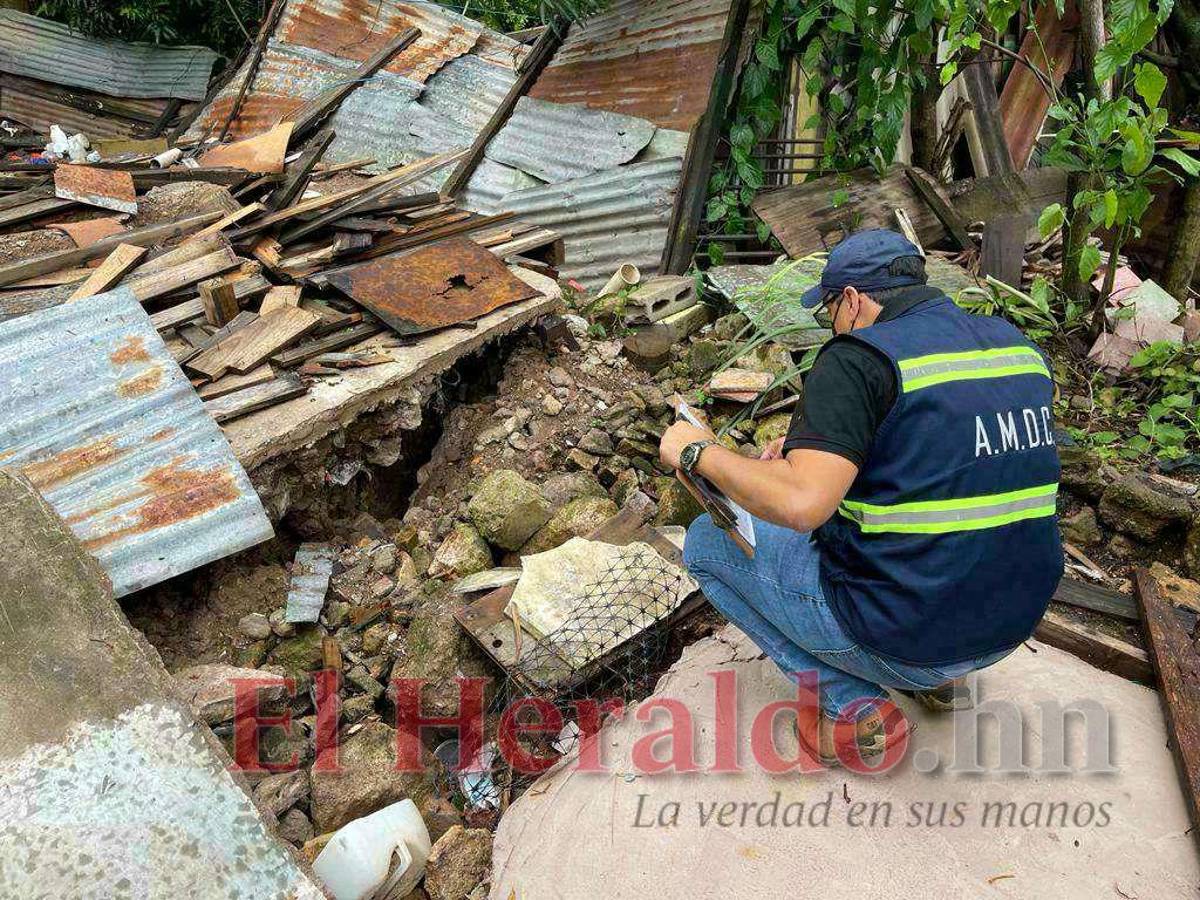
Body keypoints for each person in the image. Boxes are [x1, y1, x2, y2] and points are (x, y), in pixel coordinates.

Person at [659, 229, 1062, 767]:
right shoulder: (1015, 346)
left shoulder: (858, 358)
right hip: (1011, 622)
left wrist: (697, 453)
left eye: (829, 310)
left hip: (908, 635)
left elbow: (802, 505)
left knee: (708, 543)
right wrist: (829, 448)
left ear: (851, 299)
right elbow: (954, 451)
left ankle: (857, 711)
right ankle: (945, 682)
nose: (832, 325)